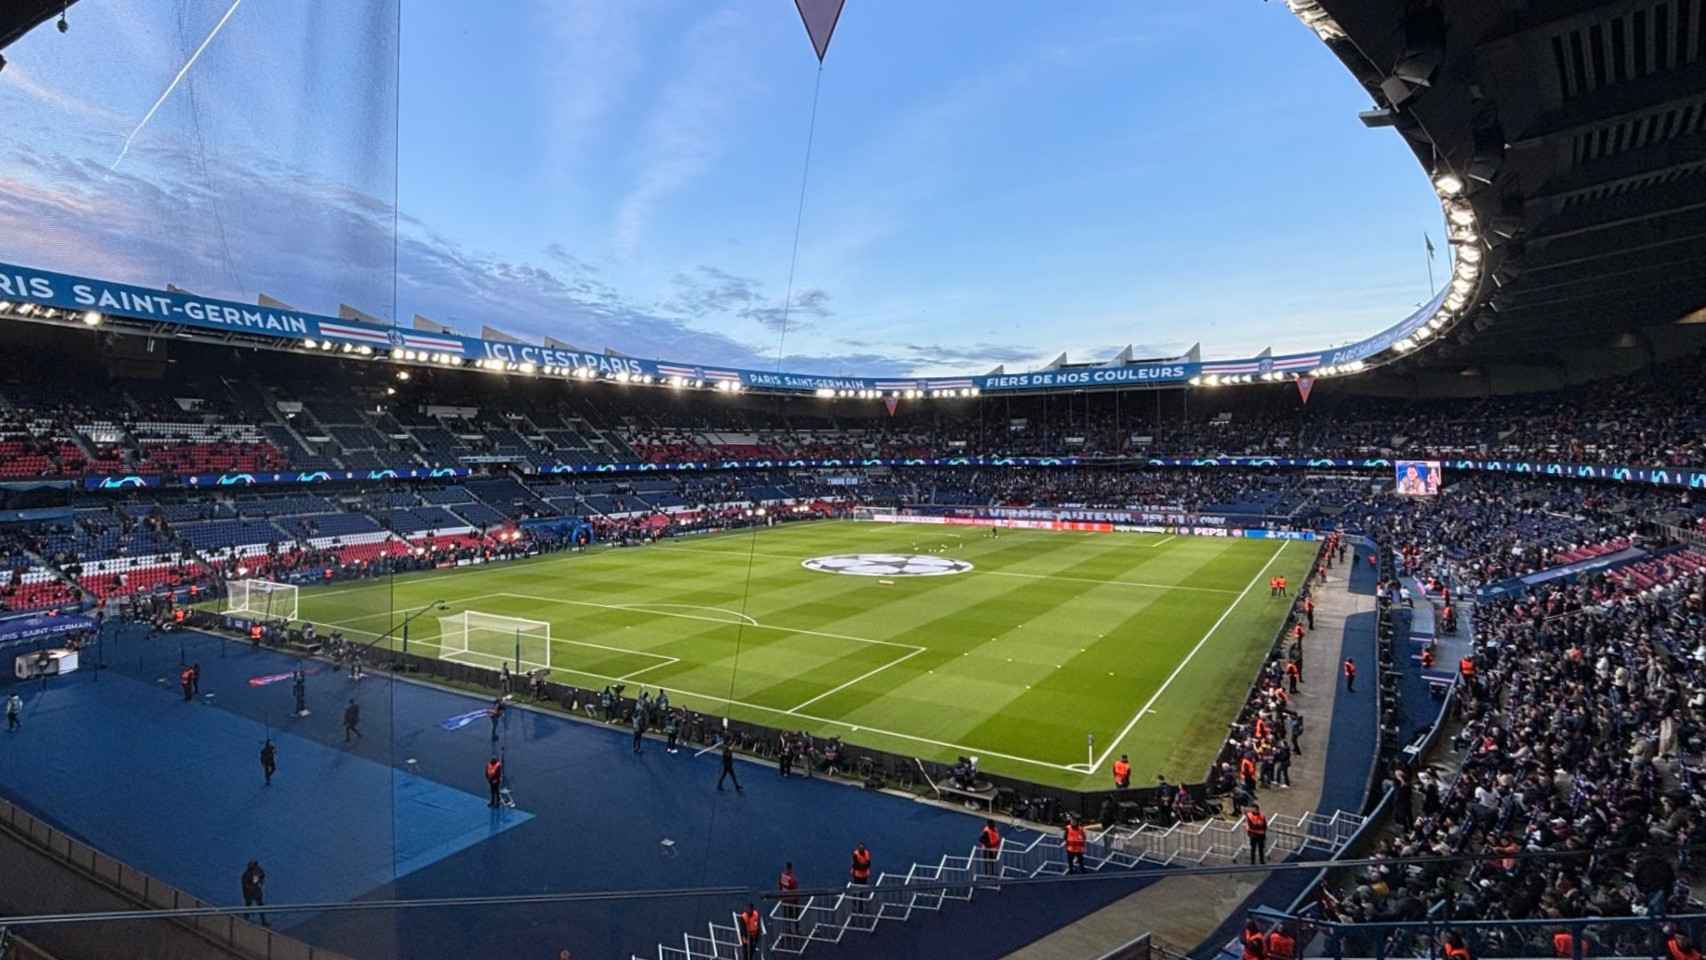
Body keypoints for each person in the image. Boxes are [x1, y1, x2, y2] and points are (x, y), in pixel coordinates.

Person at [240, 859, 268, 927]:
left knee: (260, 905)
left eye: (254, 865)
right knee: (248, 906)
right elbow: (244, 884)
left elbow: (262, 875)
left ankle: (263, 921)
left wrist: (261, 882)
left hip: (257, 891)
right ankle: (245, 920)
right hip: (249, 893)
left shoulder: (258, 870)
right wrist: (250, 888)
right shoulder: (246, 874)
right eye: (251, 866)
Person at [778, 862, 800, 931]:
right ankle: (796, 928)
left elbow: (780, 885)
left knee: (786, 914)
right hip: (792, 899)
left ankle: (788, 928)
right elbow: (794, 887)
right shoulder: (791, 878)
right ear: (791, 868)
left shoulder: (782, 876)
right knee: (795, 914)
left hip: (785, 898)